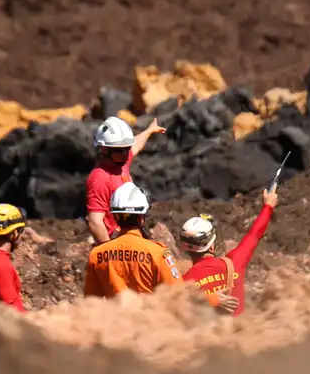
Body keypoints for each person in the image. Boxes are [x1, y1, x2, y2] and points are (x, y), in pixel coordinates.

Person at [180, 187, 278, 317]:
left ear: (185, 248)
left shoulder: (184, 284)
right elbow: (254, 234)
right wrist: (268, 206)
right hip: (244, 333)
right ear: (211, 245)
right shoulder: (235, 262)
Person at [83, 182, 184, 298]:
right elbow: (178, 293)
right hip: (149, 315)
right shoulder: (158, 253)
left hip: (113, 316)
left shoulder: (97, 255)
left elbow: (92, 302)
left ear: (115, 217)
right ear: (141, 218)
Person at [86, 115, 166, 245]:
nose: (125, 153)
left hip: (131, 235)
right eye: (119, 150)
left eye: (126, 148)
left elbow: (135, 145)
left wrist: (149, 131)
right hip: (116, 241)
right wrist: (109, 252)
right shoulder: (100, 178)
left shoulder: (120, 162)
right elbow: (95, 222)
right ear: (104, 149)